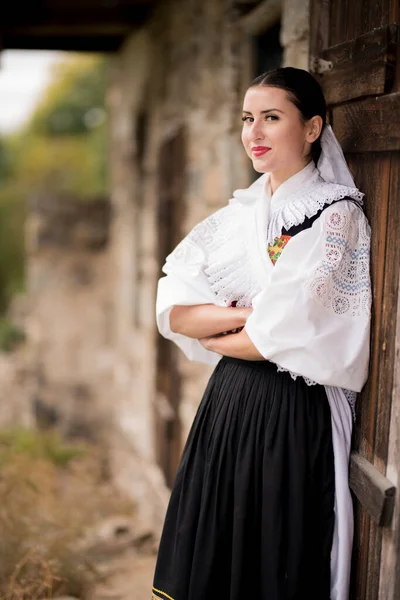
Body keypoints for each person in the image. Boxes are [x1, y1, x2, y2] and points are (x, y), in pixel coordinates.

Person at [151, 67, 371, 600]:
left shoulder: (335, 216)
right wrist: (256, 316)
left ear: (313, 128)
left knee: (275, 554)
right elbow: (177, 312)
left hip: (293, 413)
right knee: (218, 556)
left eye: (272, 118)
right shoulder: (240, 215)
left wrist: (229, 322)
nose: (255, 133)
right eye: (248, 119)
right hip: (229, 407)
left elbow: (274, 342)